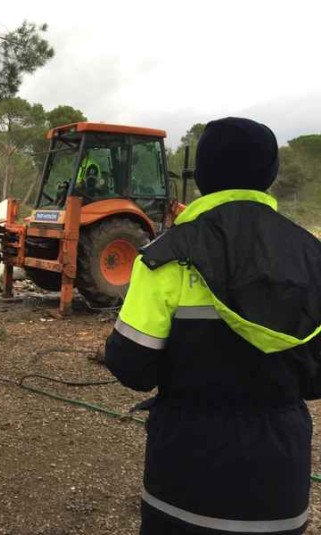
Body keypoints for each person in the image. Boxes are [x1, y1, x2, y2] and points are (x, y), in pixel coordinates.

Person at [104, 117, 321, 535]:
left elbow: (131, 368)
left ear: (201, 176)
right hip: (280, 482)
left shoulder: (164, 257)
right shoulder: (313, 256)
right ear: (271, 175)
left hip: (185, 480)